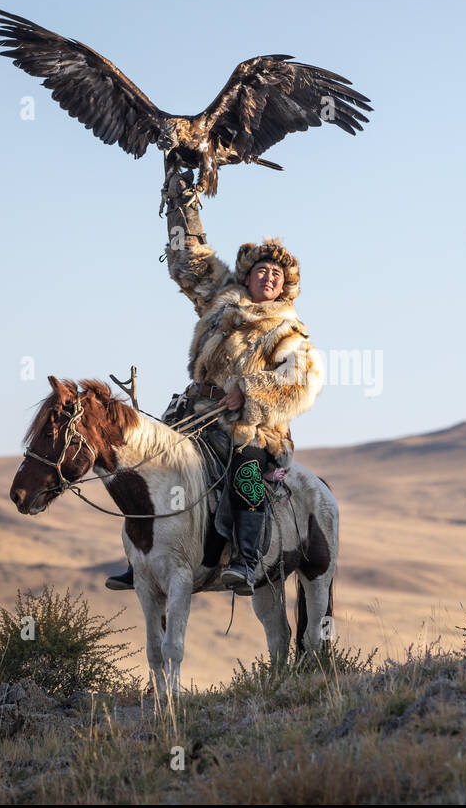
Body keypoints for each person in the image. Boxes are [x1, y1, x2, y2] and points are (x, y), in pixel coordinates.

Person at [106, 236, 324, 596]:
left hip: (249, 426)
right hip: (194, 413)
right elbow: (191, 264)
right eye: (262, 270)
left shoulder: (288, 330)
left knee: (246, 475)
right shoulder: (221, 302)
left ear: (285, 287)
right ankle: (142, 559)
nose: (269, 277)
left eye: (277, 275)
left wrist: (250, 390)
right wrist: (183, 206)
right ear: (248, 276)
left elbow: (304, 382)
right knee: (149, 467)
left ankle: (246, 560)